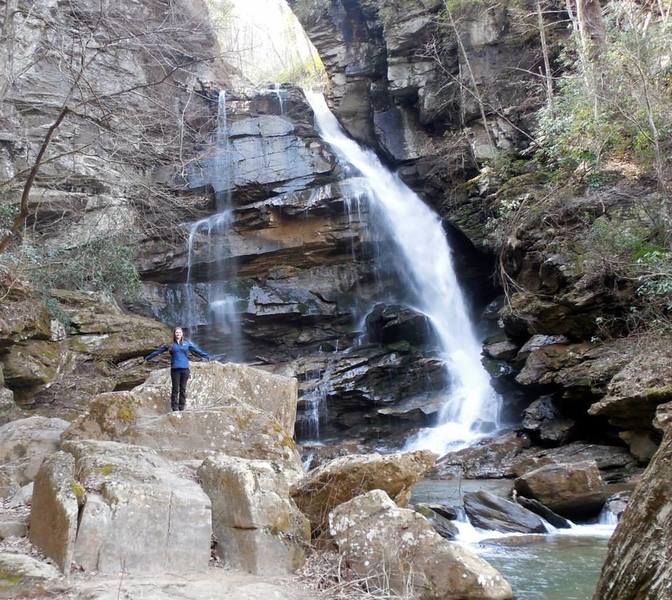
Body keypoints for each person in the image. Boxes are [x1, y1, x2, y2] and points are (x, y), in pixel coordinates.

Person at [144, 327, 210, 412]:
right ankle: (174, 408)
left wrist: (206, 355)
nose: (178, 334)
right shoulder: (170, 345)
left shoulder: (187, 343)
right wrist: (148, 358)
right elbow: (158, 351)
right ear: (174, 334)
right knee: (175, 389)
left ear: (182, 334)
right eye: (176, 333)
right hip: (175, 369)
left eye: (179, 332)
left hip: (185, 369)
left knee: (183, 389)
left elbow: (196, 351)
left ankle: (181, 407)